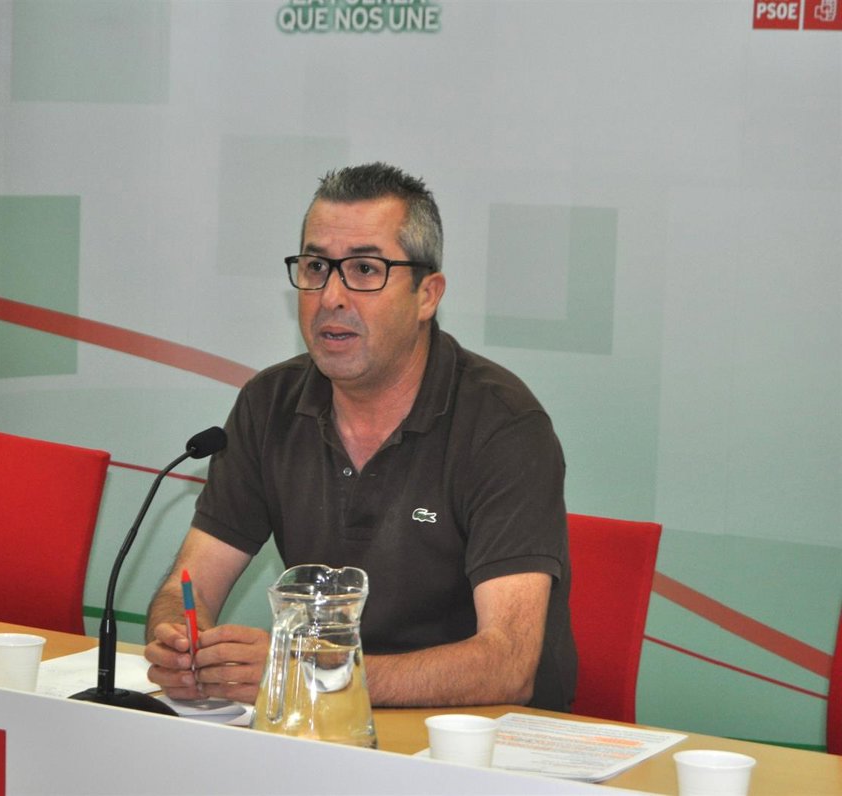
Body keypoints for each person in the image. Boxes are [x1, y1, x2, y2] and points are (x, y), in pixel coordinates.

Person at [143, 162, 576, 711]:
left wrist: (306, 673)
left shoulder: (503, 425)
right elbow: (191, 584)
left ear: (427, 295)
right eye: (316, 267)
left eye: (365, 269)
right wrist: (177, 639)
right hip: (324, 728)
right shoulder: (269, 404)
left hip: (475, 738)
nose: (331, 296)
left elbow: (507, 664)